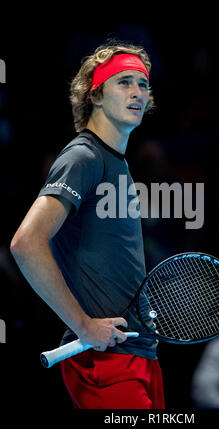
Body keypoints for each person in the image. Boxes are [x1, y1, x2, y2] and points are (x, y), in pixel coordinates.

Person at [10, 40, 165, 409]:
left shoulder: (120, 164)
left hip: (139, 354)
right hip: (104, 362)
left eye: (143, 84)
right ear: (95, 94)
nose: (138, 92)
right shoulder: (84, 156)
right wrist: (83, 325)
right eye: (124, 82)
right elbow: (25, 243)